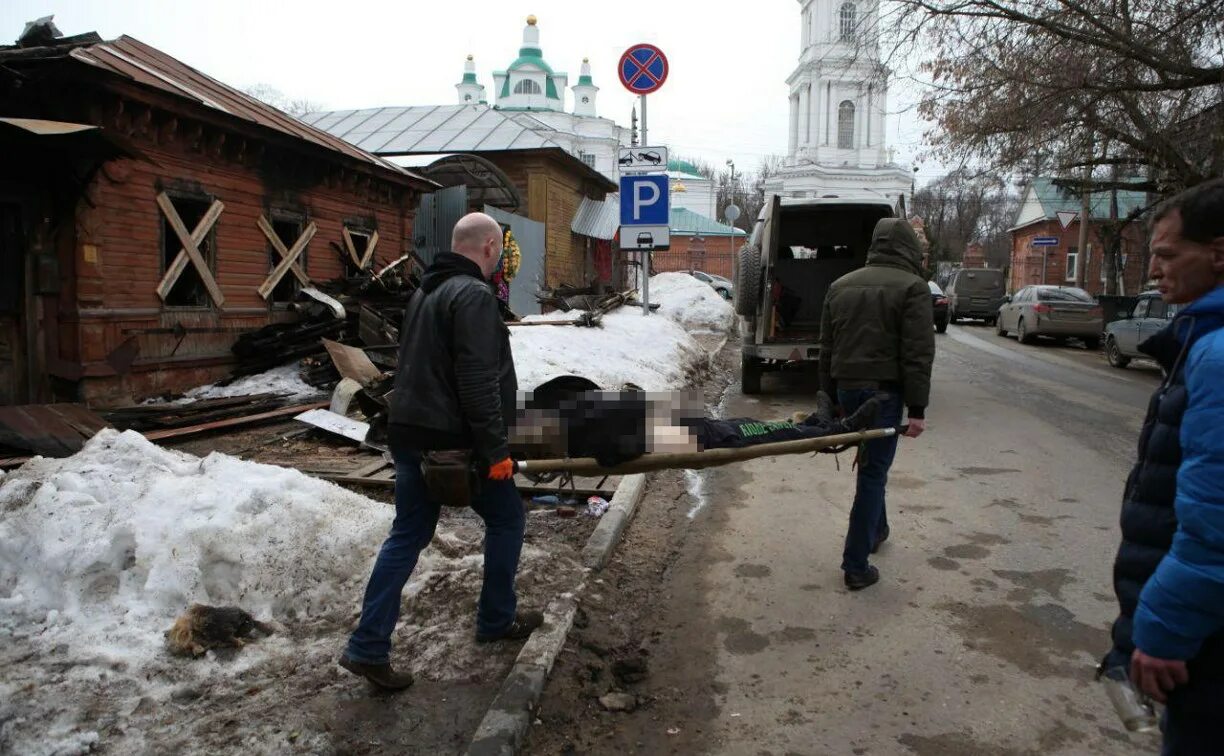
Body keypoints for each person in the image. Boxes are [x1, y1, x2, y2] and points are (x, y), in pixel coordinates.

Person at [339, 212, 541, 691]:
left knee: (407, 534)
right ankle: (496, 620)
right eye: (501, 253)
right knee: (507, 517)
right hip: (454, 441)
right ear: (490, 247)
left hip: (409, 431)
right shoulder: (472, 295)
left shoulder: (425, 292)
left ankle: (367, 647)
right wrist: (494, 451)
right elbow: (476, 381)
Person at [1105, 179, 1224, 753]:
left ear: (1219, 254)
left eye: (1167, 253)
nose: (1152, 267)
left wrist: (1161, 631)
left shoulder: (1219, 353)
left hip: (1204, 638)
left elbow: (1215, 524)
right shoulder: (1201, 338)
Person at [819, 217, 935, 590]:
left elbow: (827, 350)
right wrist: (917, 410)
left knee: (870, 466)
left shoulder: (840, 285)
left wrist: (830, 399)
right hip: (883, 393)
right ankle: (856, 565)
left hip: (848, 389)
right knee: (872, 474)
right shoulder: (913, 288)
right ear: (909, 249)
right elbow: (917, 353)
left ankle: (877, 529)